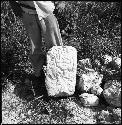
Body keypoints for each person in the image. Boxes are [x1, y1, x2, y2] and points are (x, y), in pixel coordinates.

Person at [10, 1, 63, 98]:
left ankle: (60, 77)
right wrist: (13, 4)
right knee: (34, 47)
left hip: (46, 10)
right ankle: (38, 77)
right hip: (27, 11)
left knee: (55, 46)